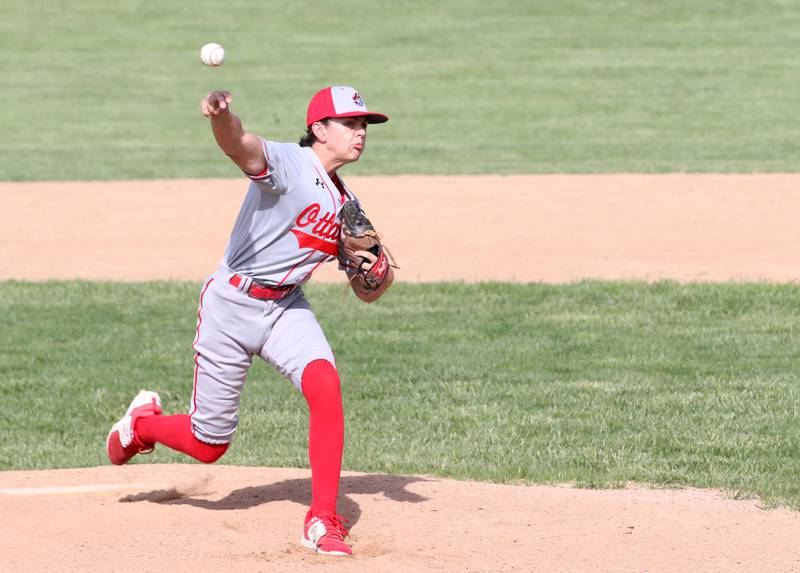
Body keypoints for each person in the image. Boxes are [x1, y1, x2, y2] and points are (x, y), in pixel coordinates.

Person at [105, 85, 392, 557]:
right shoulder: (288, 163)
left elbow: (371, 294)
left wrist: (375, 275)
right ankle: (142, 426)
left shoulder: (347, 203)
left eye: (364, 125)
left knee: (325, 386)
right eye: (350, 124)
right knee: (208, 444)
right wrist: (221, 116)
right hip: (231, 307)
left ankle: (322, 520)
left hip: (285, 309)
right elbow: (238, 142)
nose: (360, 133)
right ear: (319, 129)